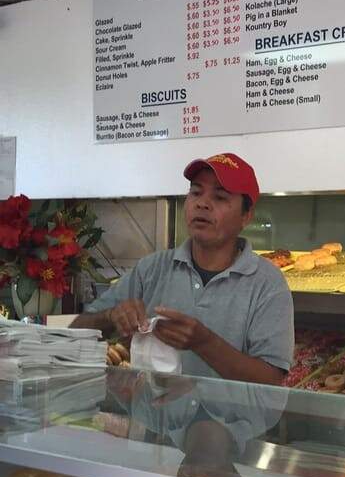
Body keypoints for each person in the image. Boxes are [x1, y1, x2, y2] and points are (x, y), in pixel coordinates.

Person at [71, 153, 293, 383]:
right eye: (196, 192)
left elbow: (272, 380)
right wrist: (110, 316)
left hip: (229, 420)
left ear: (246, 216)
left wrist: (204, 342)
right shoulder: (152, 269)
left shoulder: (267, 283)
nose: (202, 203)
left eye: (219, 197)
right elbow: (76, 331)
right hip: (153, 418)